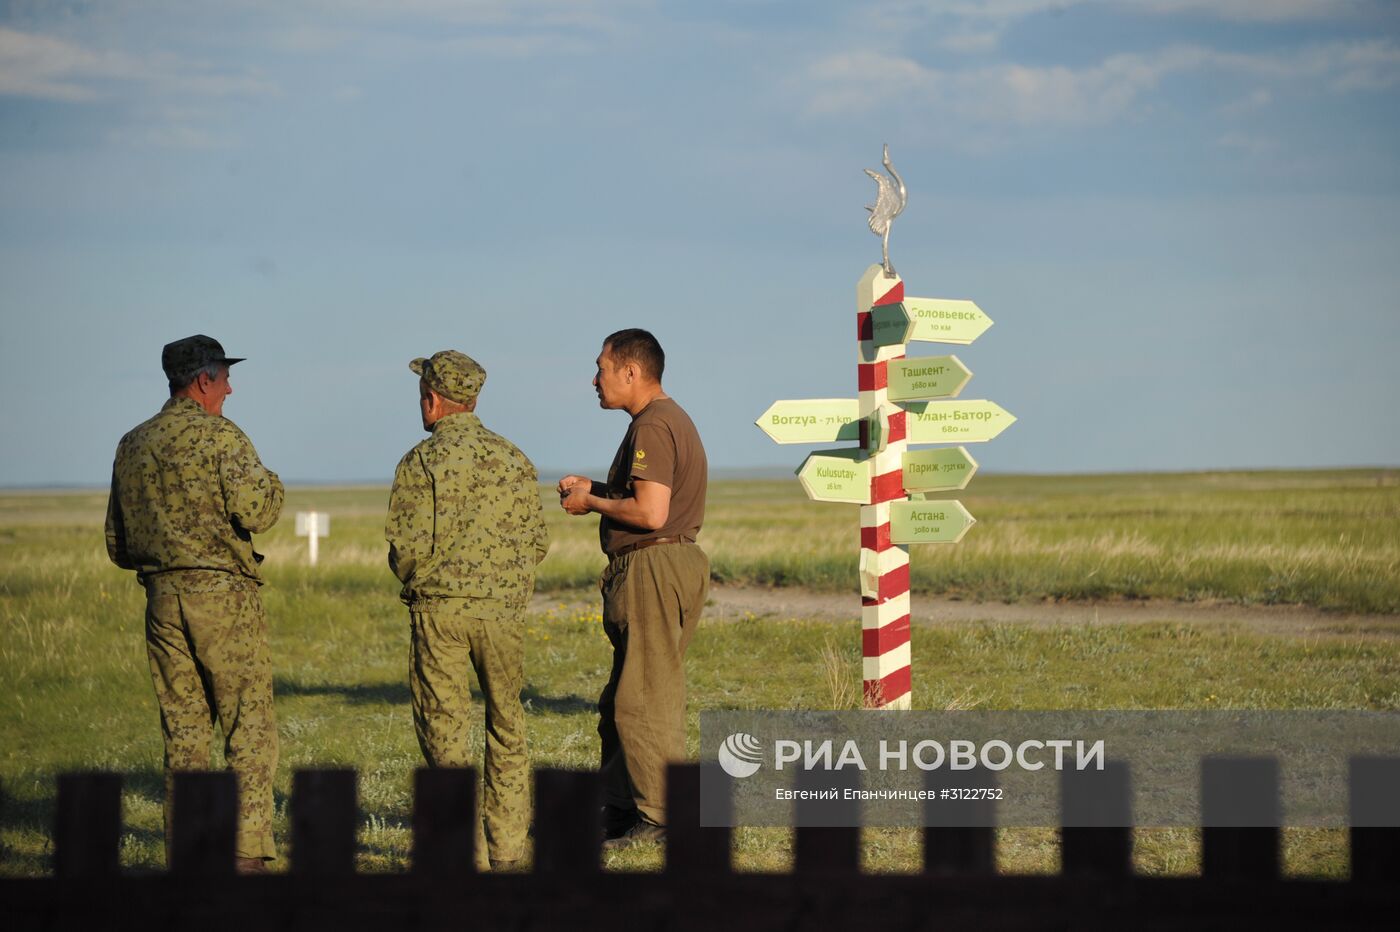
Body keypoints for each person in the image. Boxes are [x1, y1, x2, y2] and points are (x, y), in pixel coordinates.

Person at [105, 334, 283, 874]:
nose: (231, 388)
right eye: (224, 377)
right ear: (203, 380)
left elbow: (118, 544)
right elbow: (259, 510)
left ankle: (188, 857)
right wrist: (273, 484)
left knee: (183, 735)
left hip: (161, 601)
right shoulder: (222, 438)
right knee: (247, 727)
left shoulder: (133, 444)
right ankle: (246, 854)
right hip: (223, 598)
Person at [386, 350, 549, 871]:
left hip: (439, 615)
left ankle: (463, 851)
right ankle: (508, 846)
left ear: (432, 400)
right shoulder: (514, 458)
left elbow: (403, 549)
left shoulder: (419, 462)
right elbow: (537, 542)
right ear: (474, 398)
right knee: (507, 721)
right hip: (500, 614)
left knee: (444, 730)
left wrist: (427, 580)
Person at [558, 328, 709, 849]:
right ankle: (623, 809)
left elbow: (651, 512)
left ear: (631, 371)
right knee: (623, 698)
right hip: (661, 564)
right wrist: (595, 491)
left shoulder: (654, 426)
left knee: (642, 701)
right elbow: (645, 498)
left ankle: (660, 816)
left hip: (653, 567)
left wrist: (592, 505)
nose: (594, 379)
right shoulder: (664, 421)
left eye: (601, 367)